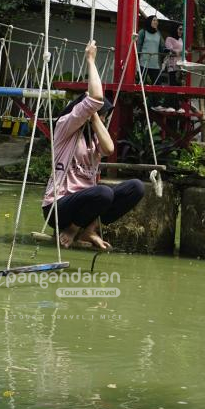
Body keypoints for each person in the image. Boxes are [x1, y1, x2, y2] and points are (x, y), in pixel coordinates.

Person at [42, 40, 145, 251]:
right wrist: (90, 59)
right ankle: (71, 229)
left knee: (136, 187)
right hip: (59, 205)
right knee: (103, 193)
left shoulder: (93, 138)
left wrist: (95, 119)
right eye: (100, 114)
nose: (103, 118)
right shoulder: (65, 128)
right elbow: (96, 98)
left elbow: (109, 149)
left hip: (89, 205)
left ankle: (89, 229)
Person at [136, 14, 164, 85]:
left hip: (155, 64)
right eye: (154, 20)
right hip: (143, 63)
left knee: (157, 84)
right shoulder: (143, 32)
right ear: (149, 21)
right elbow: (138, 46)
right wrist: (136, 61)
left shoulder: (158, 33)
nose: (156, 22)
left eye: (157, 21)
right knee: (142, 84)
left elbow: (162, 46)